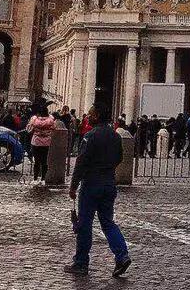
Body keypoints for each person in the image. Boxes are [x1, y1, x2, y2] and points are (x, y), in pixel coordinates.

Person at [65, 104, 131, 277]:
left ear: (97, 116)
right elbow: (119, 157)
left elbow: (81, 162)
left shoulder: (90, 136)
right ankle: (122, 256)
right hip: (109, 183)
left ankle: (81, 262)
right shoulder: (115, 136)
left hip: (91, 184)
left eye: (91, 114)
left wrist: (73, 186)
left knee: (84, 224)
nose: (88, 116)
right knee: (108, 222)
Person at [26, 101, 56, 186]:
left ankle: (35, 178)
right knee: (44, 161)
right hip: (46, 142)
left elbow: (29, 129)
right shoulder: (50, 120)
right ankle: (43, 179)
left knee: (37, 161)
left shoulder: (34, 120)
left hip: (36, 142)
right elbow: (54, 128)